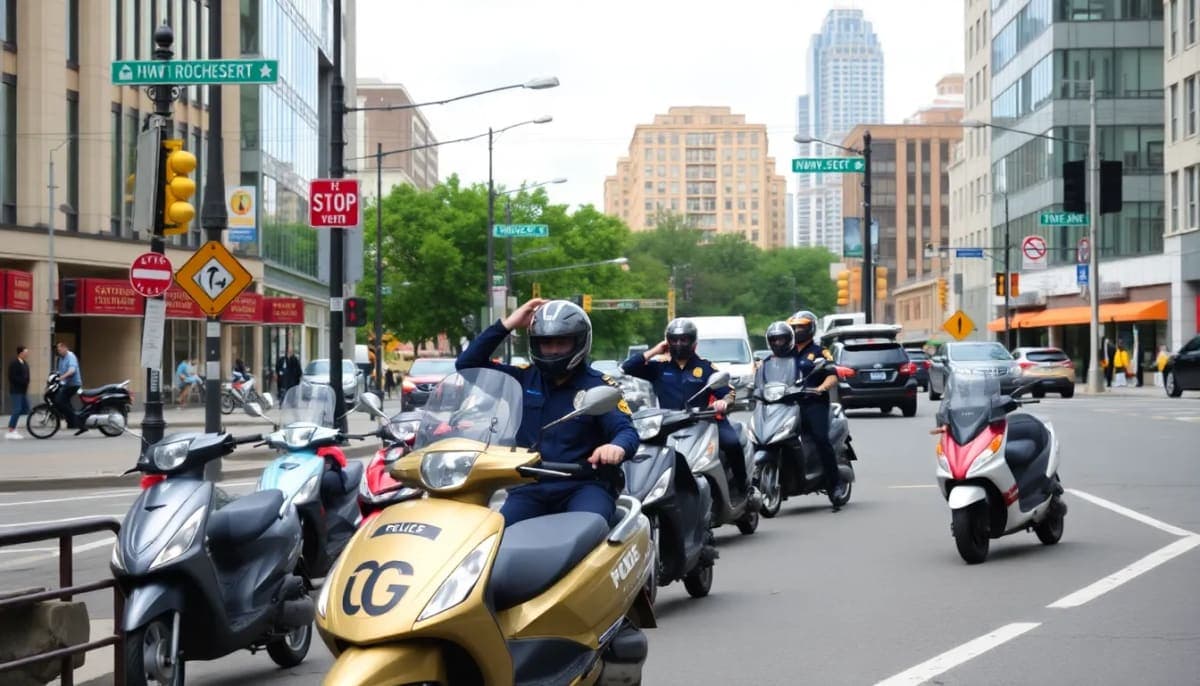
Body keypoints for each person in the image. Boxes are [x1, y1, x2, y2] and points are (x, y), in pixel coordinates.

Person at [456, 298, 639, 526]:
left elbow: (626, 431)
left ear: (580, 342)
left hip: (584, 485)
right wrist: (508, 324)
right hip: (530, 487)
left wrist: (616, 447)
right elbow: (467, 365)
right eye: (546, 343)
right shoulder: (522, 379)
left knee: (589, 530)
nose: (553, 351)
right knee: (495, 534)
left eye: (562, 343)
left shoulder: (599, 386)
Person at [622, 318, 750, 499]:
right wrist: (655, 351)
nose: (679, 344)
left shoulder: (706, 367)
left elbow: (729, 392)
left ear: (694, 343)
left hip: (705, 422)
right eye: (674, 340)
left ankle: (743, 488)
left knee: (731, 443)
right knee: (645, 451)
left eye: (684, 339)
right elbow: (627, 367)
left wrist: (723, 403)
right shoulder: (659, 367)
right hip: (669, 425)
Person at [785, 311, 845, 506]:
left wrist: (821, 388)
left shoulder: (820, 351)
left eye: (801, 327)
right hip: (788, 404)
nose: (797, 331)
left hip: (814, 403)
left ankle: (835, 485)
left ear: (810, 328)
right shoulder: (785, 352)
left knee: (820, 439)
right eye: (794, 327)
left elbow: (832, 375)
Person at [54, 341, 83, 429]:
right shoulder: (61, 358)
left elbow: (72, 370)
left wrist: (62, 377)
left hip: (74, 384)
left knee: (60, 400)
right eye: (58, 350)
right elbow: (59, 371)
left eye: (60, 350)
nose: (59, 352)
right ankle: (71, 422)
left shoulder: (71, 356)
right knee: (64, 402)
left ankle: (74, 419)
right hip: (66, 384)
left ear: (65, 348)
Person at [7, 345, 30, 440]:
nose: (27, 354)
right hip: (16, 390)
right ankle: (11, 430)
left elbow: (27, 376)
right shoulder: (14, 363)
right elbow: (12, 377)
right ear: (20, 353)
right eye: (25, 352)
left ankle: (13, 427)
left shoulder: (25, 363)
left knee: (25, 409)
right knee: (17, 409)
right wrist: (22, 381)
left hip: (23, 391)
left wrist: (26, 382)